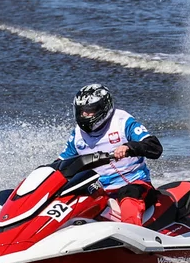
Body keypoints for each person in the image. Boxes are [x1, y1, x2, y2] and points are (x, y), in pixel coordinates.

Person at [59, 83, 163, 225]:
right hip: (98, 190)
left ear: (103, 107)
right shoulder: (78, 134)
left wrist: (128, 147)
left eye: (90, 110)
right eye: (82, 111)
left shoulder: (122, 121)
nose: (85, 115)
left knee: (128, 193)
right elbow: (62, 163)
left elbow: (154, 147)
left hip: (135, 185)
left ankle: (131, 234)